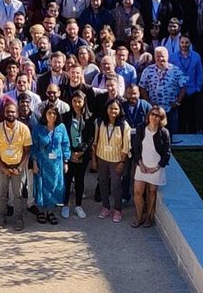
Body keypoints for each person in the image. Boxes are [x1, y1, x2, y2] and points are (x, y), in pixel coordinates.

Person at [0, 100, 32, 230]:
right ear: (4, 113)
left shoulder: (24, 128)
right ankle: (1, 218)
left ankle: (18, 219)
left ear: (17, 113)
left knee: (18, 194)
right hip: (2, 166)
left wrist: (20, 167)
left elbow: (27, 150)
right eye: (8, 111)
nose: (10, 114)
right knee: (2, 193)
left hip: (18, 166)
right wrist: (2, 167)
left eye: (13, 111)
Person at [131, 105, 172, 228]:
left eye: (157, 115)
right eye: (152, 114)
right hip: (142, 165)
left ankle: (149, 218)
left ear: (161, 118)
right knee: (138, 192)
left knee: (152, 192)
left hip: (156, 167)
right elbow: (136, 148)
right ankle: (139, 217)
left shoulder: (164, 132)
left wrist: (158, 167)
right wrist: (140, 163)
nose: (154, 117)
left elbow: (167, 152)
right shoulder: (141, 128)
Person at [92, 98, 131, 223]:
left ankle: (118, 210)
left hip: (116, 160)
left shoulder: (124, 126)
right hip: (101, 157)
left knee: (116, 185)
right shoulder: (100, 122)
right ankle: (105, 207)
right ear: (106, 109)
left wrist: (122, 162)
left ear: (119, 110)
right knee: (103, 183)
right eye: (110, 108)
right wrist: (94, 159)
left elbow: (126, 146)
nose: (113, 111)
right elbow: (95, 142)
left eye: (115, 108)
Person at [31, 105, 71, 225]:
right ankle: (42, 212)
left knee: (54, 186)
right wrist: (34, 162)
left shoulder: (61, 127)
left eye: (54, 113)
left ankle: (50, 212)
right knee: (42, 187)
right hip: (42, 162)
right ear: (45, 114)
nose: (52, 116)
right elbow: (34, 146)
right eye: (49, 113)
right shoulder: (38, 128)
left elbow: (65, 144)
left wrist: (66, 161)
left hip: (56, 164)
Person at [61, 91, 93, 219]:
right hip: (69, 152)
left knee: (80, 180)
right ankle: (65, 205)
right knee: (67, 180)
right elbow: (63, 136)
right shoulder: (65, 117)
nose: (77, 104)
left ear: (83, 102)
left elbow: (90, 137)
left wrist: (81, 151)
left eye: (79, 101)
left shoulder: (89, 118)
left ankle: (78, 205)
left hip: (82, 154)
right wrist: (70, 152)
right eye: (74, 101)